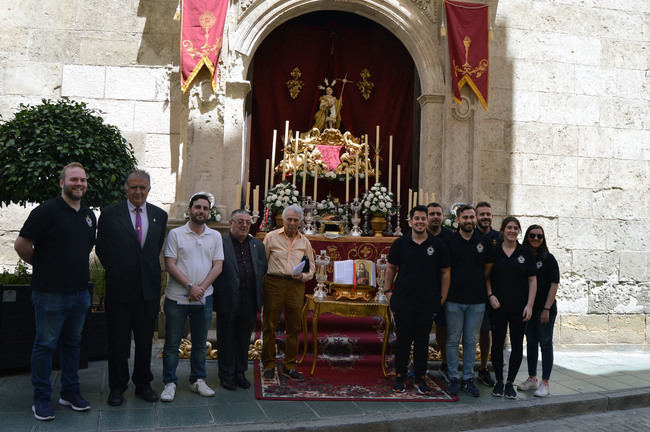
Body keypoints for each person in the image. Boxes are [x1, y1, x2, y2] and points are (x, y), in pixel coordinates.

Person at [14, 162, 96, 421]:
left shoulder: (88, 215)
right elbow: (21, 245)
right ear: (62, 183)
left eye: (82, 180)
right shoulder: (46, 211)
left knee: (72, 344)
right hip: (49, 293)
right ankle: (41, 398)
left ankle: (70, 392)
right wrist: (43, 266)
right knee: (45, 345)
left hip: (80, 292)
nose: (79, 184)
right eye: (74, 180)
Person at [96, 168, 168, 406]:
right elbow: (102, 249)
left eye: (142, 187)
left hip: (147, 290)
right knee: (117, 341)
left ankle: (143, 384)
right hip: (120, 289)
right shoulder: (109, 214)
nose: (138, 191)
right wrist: (119, 270)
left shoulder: (159, 215)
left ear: (149, 189)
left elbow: (153, 248)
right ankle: (117, 387)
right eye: (133, 187)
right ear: (125, 188)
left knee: (146, 340)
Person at [160, 193, 223, 402]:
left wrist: (201, 288)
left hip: (204, 298)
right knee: (171, 343)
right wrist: (189, 286)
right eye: (197, 207)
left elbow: (218, 266)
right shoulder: (176, 234)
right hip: (177, 298)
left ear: (209, 212)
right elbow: (170, 263)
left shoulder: (214, 236)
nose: (201, 211)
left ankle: (198, 380)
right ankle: (169, 382)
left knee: (199, 342)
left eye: (205, 208)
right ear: (189, 210)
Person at [385, 205, 450, 395]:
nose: (421, 221)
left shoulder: (438, 246)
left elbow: (446, 272)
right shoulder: (400, 244)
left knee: (422, 342)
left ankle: (421, 379)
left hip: (427, 301)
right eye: (417, 218)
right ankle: (400, 378)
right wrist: (388, 291)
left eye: (424, 218)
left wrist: (442, 298)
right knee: (403, 341)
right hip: (404, 300)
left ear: (427, 221)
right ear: (411, 221)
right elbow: (390, 267)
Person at [214, 209, 267, 390]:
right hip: (227, 297)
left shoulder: (257, 245)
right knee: (226, 338)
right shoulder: (220, 243)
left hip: (249, 298)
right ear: (231, 223)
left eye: (247, 222)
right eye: (240, 221)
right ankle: (226, 374)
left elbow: (262, 270)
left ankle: (240, 372)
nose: (244, 225)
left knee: (243, 339)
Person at [444, 205, 494, 397]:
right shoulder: (449, 242)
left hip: (477, 300)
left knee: (472, 341)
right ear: (458, 220)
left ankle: (468, 377)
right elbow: (445, 271)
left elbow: (488, 268)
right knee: (452, 340)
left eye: (471, 217)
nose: (469, 221)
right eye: (465, 217)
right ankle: (453, 377)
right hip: (454, 299)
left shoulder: (485, 242)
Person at [261, 204, 315, 382]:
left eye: (295, 220)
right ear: (283, 220)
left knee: (294, 327)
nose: (292, 223)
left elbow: (312, 268)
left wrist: (304, 275)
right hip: (274, 283)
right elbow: (263, 263)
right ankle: (268, 364)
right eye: (289, 219)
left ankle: (289, 365)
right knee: (269, 325)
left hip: (295, 285)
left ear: (300, 222)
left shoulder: (304, 242)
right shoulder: (271, 237)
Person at [486, 216, 536, 400]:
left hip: (519, 307)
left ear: (519, 231)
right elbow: (487, 276)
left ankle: (509, 384)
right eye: (509, 228)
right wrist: (490, 296)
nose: (512, 231)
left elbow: (532, 280)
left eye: (516, 228)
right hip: (498, 307)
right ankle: (499, 380)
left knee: (516, 346)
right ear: (503, 230)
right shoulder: (494, 251)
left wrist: (529, 305)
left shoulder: (526, 253)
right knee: (497, 344)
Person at [518, 224, 559, 397]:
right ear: (527, 237)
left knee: (545, 343)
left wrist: (546, 308)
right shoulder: (523, 257)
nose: (535, 239)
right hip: (528, 309)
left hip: (544, 309)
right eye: (532, 235)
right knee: (532, 343)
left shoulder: (549, 259)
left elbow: (554, 285)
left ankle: (545, 383)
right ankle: (533, 378)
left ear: (543, 239)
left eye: (539, 236)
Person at [426, 202, 454, 381]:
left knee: (444, 330)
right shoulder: (419, 234)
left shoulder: (450, 237)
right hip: (424, 290)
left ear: (442, 216)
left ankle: (445, 364)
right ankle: (418, 364)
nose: (435, 217)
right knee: (421, 329)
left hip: (445, 291)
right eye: (432, 214)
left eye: (438, 213)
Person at [474, 201, 499, 387]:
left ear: (492, 216)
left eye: (488, 214)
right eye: (481, 214)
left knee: (486, 331)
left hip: (493, 293)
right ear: (476, 216)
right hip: (470, 291)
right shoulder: (469, 235)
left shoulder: (499, 237)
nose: (485, 217)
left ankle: (484, 368)